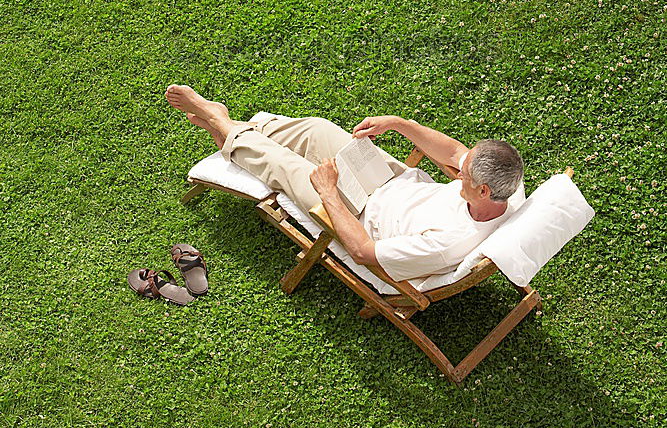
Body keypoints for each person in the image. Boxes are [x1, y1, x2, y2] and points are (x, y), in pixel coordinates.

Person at [165, 85, 525, 285]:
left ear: (484, 191)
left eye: (465, 175)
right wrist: (398, 123)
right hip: (389, 178)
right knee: (316, 129)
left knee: (282, 165)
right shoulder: (505, 187)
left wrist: (327, 192)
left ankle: (219, 120)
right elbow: (453, 152)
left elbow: (365, 253)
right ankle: (228, 130)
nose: (459, 170)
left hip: (359, 214)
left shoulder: (447, 244)